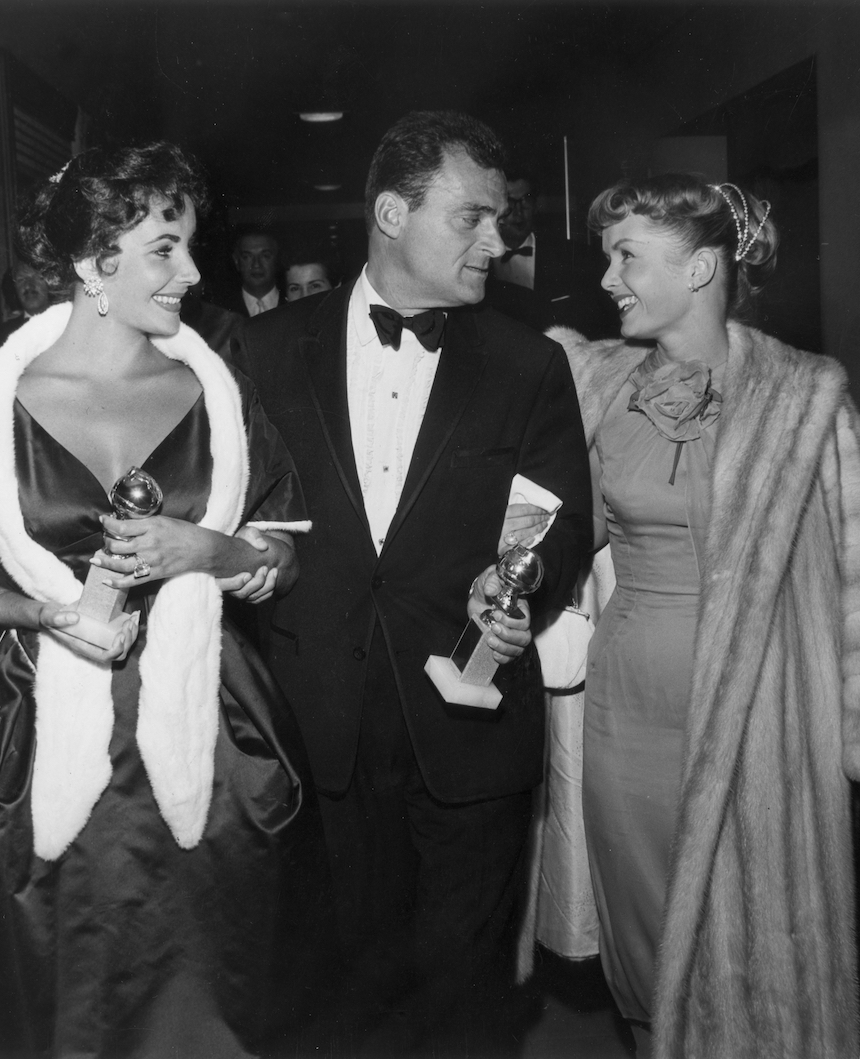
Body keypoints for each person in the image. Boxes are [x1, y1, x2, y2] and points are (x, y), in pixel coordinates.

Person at [0, 142, 332, 1058]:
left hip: (210, 738)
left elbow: (285, 559)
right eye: (164, 248)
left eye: (188, 247)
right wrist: (38, 615)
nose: (191, 271)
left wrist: (208, 549)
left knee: (208, 990)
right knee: (54, 988)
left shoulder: (219, 396)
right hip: (40, 737)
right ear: (93, 262)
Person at [233, 110, 591, 1056]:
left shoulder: (530, 365)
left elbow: (559, 526)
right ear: (392, 213)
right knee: (326, 998)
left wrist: (516, 588)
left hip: (468, 736)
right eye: (471, 216)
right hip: (315, 732)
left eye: (502, 218)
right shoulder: (261, 355)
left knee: (464, 1008)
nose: (498, 237)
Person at [541, 173, 860, 1057]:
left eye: (627, 257)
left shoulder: (806, 402)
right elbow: (563, 539)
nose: (607, 278)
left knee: (763, 950)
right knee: (648, 948)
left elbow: (854, 582)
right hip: (626, 708)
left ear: (702, 268)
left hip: (763, 712)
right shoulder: (598, 386)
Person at [484, 166, 616, 337]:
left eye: (526, 199)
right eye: (510, 202)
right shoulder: (480, 259)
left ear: (536, 205)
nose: (519, 211)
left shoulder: (574, 256)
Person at [0, 258, 51, 375]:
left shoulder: (70, 327)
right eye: (21, 279)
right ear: (15, 288)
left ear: (51, 283)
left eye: (37, 277)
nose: (29, 285)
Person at [222, 230, 283, 317]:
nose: (256, 265)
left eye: (265, 256)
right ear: (236, 261)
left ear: (276, 259)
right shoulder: (222, 311)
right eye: (247, 257)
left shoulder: (293, 302)